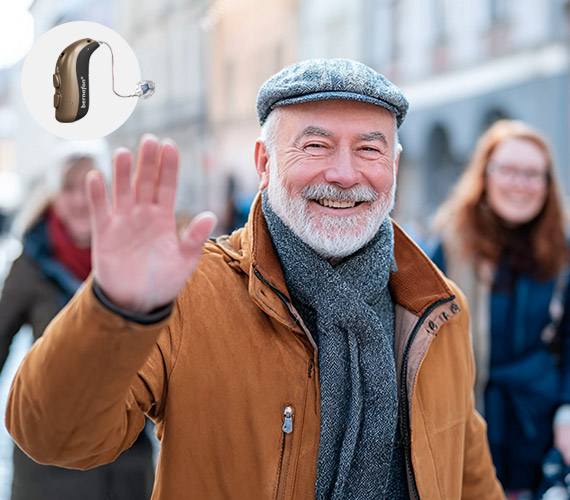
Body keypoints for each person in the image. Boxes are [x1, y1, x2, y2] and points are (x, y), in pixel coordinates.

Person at [6, 59, 504, 499]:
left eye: (370, 150)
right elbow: (54, 436)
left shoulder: (437, 309)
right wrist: (114, 309)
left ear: (393, 168)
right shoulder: (191, 292)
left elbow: (469, 478)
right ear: (264, 163)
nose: (345, 173)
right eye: (315, 145)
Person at [0, 154, 155, 500]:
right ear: (54, 195)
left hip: (125, 461)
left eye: (91, 185)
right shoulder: (31, 265)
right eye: (69, 187)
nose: (81, 198)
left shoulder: (137, 260)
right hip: (48, 466)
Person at [430, 120, 570, 500]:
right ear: (485, 176)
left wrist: (567, 412)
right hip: (467, 419)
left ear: (547, 183)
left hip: (540, 429)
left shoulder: (563, 252)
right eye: (507, 170)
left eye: (531, 174)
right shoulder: (450, 247)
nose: (519, 183)